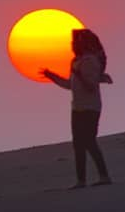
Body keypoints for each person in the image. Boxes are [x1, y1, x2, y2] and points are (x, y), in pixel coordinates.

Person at [41, 29, 113, 189]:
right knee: (78, 145)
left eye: (75, 43)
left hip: (91, 108)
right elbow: (70, 86)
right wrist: (51, 76)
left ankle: (104, 176)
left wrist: (78, 74)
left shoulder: (89, 61)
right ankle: (81, 181)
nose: (73, 46)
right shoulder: (76, 62)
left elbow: (91, 86)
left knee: (89, 142)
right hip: (77, 108)